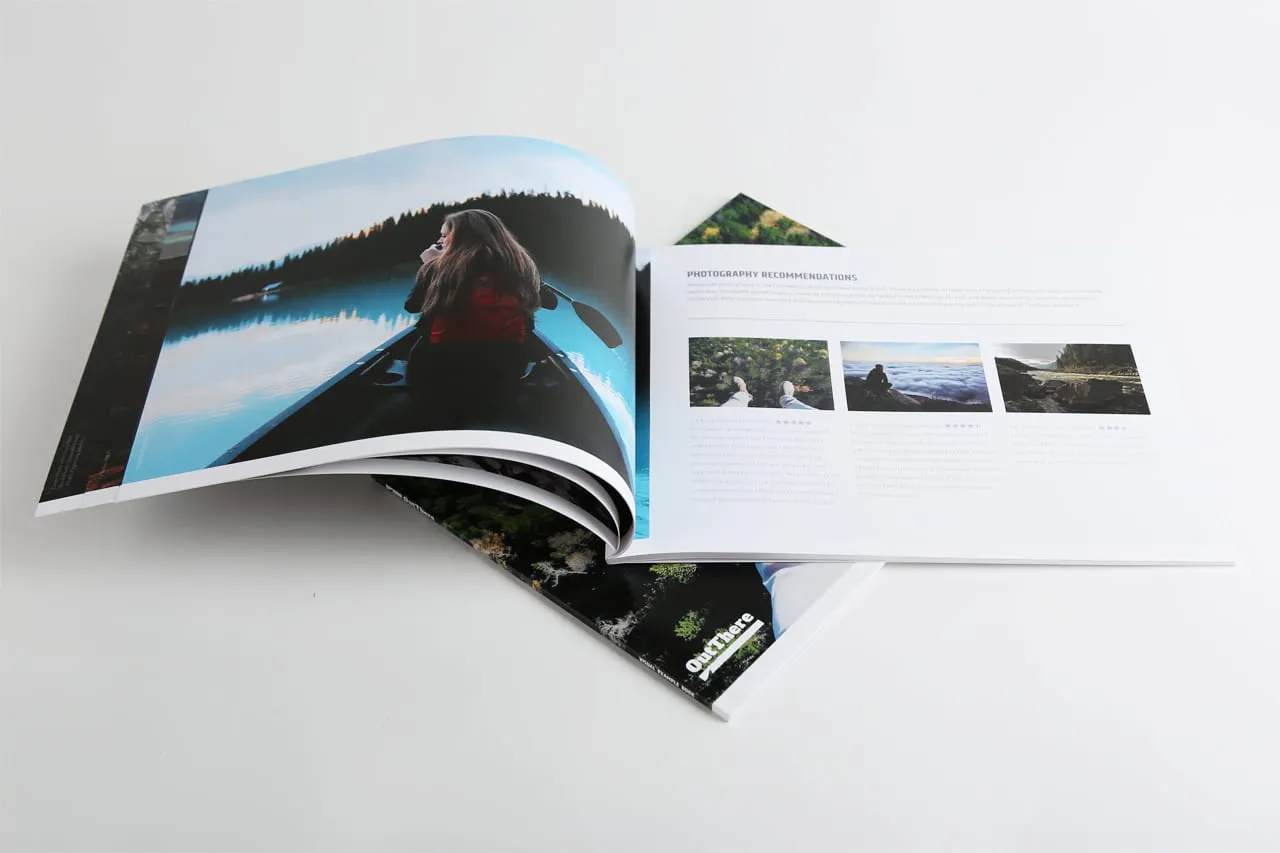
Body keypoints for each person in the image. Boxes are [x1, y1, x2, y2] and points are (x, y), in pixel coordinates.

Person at [402, 209, 541, 425]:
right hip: (506, 365)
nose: (440, 241)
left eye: (444, 236)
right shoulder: (522, 267)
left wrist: (429, 265)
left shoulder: (438, 268)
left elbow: (412, 306)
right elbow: (530, 312)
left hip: (442, 366)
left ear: (457, 238)